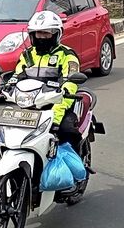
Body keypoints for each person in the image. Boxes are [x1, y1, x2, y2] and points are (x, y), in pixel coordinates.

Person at [11, 10, 81, 150]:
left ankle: (76, 163)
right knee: (8, 129)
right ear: (33, 34)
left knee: (68, 131)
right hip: (30, 105)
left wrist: (58, 112)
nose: (42, 37)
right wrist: (7, 86)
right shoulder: (27, 55)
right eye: (39, 33)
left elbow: (71, 83)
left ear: (55, 35)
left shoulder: (67, 55)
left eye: (46, 33)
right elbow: (17, 75)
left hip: (57, 105)